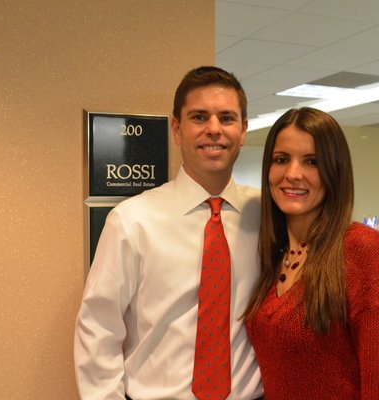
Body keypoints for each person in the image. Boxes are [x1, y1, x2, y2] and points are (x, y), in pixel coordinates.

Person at [74, 66, 264, 399]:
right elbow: (98, 330)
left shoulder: (266, 215)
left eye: (227, 118)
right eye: (199, 117)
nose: (214, 130)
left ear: (244, 129)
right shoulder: (132, 221)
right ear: (177, 129)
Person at [245, 107, 379, 399]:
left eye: (312, 162)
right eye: (281, 160)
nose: (293, 174)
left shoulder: (361, 248)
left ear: (334, 171)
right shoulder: (272, 251)